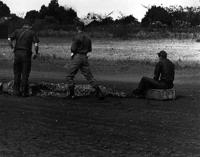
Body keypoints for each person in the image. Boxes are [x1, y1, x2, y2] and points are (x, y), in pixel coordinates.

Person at [66, 21, 104, 99]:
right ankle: (99, 92)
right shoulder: (88, 37)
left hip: (77, 57)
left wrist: (73, 55)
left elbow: (73, 49)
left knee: (69, 76)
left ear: (77, 27)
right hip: (85, 57)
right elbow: (89, 49)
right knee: (89, 77)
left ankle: (72, 94)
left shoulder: (76, 36)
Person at [8, 20, 39, 97]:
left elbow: (9, 39)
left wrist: (11, 46)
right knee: (25, 73)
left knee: (17, 73)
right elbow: (36, 44)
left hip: (17, 54)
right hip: (26, 55)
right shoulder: (32, 32)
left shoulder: (17, 31)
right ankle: (24, 92)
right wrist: (36, 53)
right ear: (29, 26)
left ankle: (16, 91)